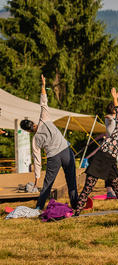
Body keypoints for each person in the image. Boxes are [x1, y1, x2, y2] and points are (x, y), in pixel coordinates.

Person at [73, 87, 118, 215]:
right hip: (100, 158)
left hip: (111, 163)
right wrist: (115, 98)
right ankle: (77, 211)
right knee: (88, 187)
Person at [20, 75, 79, 210]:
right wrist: (43, 85)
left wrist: (37, 177)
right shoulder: (44, 118)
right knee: (71, 179)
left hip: (54, 157)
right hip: (65, 151)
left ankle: (39, 208)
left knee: (48, 184)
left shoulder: (35, 140)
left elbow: (37, 159)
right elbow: (43, 102)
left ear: (28, 131)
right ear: (33, 123)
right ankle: (76, 205)